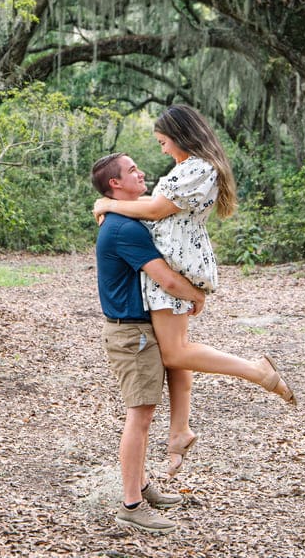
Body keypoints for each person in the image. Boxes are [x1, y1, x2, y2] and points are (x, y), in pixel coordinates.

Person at [93, 106, 295, 479]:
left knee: (175, 351)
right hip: (177, 260)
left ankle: (257, 371)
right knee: (176, 356)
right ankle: (179, 432)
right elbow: (154, 208)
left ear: (181, 135)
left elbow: (155, 210)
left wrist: (106, 202)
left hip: (174, 265)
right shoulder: (192, 167)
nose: (163, 150)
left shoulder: (197, 167)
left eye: (164, 142)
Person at [91, 151, 208, 535]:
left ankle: (141, 485)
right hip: (132, 334)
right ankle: (131, 506)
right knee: (139, 418)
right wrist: (197, 294)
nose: (141, 172)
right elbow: (167, 280)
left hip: (138, 330)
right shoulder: (123, 228)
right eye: (131, 170)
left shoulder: (125, 216)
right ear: (115, 184)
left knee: (143, 415)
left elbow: (155, 209)